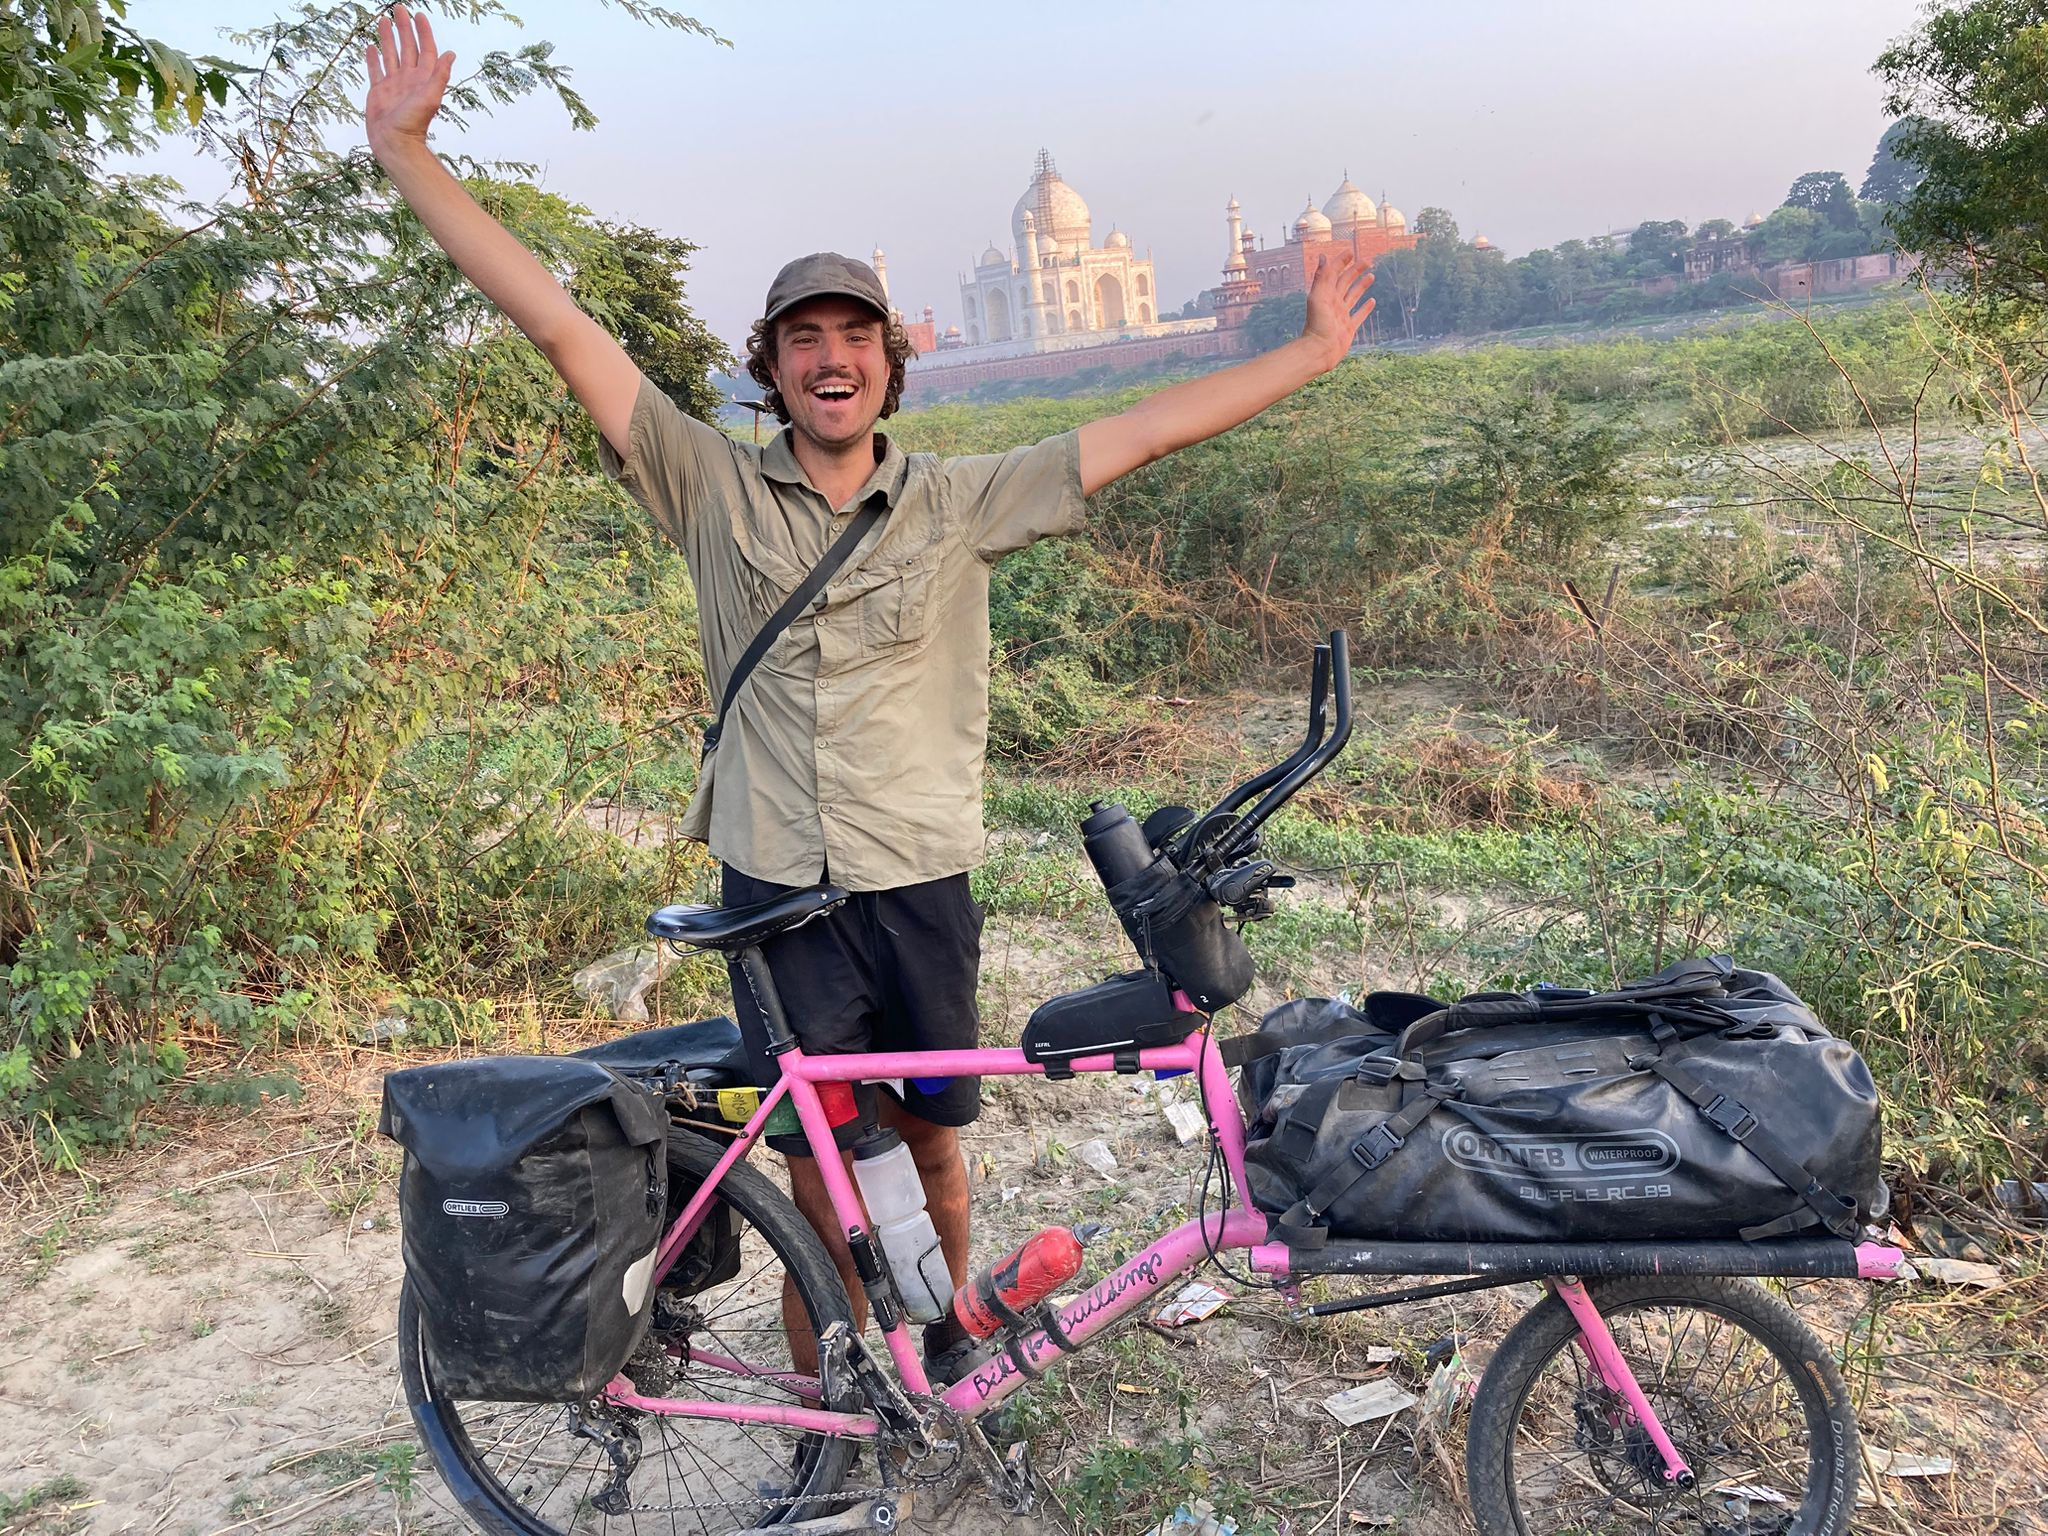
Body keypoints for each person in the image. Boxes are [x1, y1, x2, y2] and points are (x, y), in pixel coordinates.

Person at [364, 5, 1373, 1382]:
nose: (831, 358)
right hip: (779, 887)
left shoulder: (958, 502)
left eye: (855, 335)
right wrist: (407, 151)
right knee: (831, 1175)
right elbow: (558, 323)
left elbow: (1139, 427)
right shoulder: (706, 483)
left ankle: (951, 1347)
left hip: (917, 877)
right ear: (770, 366)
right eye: (803, 339)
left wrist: (1313, 358)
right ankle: (828, 1407)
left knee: (940, 1143)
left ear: (890, 362)